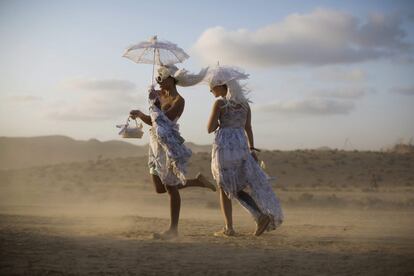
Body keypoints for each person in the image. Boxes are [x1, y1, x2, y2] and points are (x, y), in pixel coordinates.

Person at [130, 64, 215, 239]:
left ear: (171, 79)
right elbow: (153, 122)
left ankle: (173, 230)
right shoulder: (159, 95)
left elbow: (164, 120)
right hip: (154, 144)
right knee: (159, 188)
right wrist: (139, 113)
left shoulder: (179, 101)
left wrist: (154, 105)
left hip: (169, 145)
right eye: (158, 78)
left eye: (162, 77)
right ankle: (197, 182)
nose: (159, 81)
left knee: (170, 187)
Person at [204, 65, 283, 236]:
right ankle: (255, 217)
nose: (211, 91)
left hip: (225, 146)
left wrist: (219, 123)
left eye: (212, 87)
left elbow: (209, 128)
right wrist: (251, 148)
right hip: (240, 146)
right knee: (235, 185)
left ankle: (231, 227)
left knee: (224, 185)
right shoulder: (244, 105)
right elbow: (248, 127)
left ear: (221, 85)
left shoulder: (220, 103)